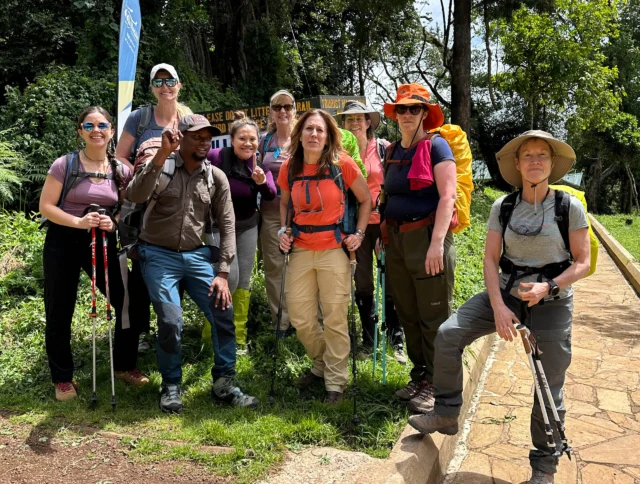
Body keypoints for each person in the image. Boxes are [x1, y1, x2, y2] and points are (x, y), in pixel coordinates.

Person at [408, 131, 590, 484]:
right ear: (517, 164)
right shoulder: (503, 207)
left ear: (552, 165)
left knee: (547, 386)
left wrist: (549, 286)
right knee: (448, 334)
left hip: (551, 302)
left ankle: (544, 468)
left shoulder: (569, 207)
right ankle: (446, 412)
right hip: (505, 294)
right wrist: (499, 307)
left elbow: (582, 262)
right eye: (528, 156)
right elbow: (490, 260)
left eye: (542, 155)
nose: (535, 161)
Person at [126, 114, 258, 413]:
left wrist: (223, 272)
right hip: (158, 256)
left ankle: (224, 382)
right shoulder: (161, 167)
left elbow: (227, 224)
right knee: (171, 321)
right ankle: (171, 384)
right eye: (196, 136)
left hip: (197, 256)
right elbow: (135, 193)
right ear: (181, 138)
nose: (203, 141)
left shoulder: (215, 176)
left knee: (223, 313)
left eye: (207, 137)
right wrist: (161, 155)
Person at [40, 106, 146, 401]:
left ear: (112, 130)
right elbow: (46, 206)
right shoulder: (65, 164)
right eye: (89, 126)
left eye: (102, 125)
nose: (96, 130)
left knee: (127, 301)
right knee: (59, 309)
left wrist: (112, 223)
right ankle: (62, 379)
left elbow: (128, 209)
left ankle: (124, 366)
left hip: (101, 241)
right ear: (80, 132)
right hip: (63, 240)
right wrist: (78, 222)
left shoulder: (120, 170)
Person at [278, 109, 372, 404]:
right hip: (302, 248)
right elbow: (284, 203)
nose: (314, 135)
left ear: (328, 135)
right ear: (300, 134)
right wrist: (283, 229)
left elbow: (366, 199)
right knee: (300, 317)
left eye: (320, 130)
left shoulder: (341, 164)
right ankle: (321, 362)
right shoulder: (290, 167)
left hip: (334, 248)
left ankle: (335, 381)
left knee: (334, 318)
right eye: (309, 130)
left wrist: (359, 233)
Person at [380, 83, 457, 413]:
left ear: (425, 113)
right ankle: (420, 375)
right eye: (402, 109)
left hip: (426, 237)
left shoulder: (437, 147)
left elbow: (447, 197)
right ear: (395, 114)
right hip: (397, 240)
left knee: (433, 316)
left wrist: (437, 244)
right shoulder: (393, 151)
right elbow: (388, 195)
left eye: (415, 109)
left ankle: (439, 385)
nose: (408, 114)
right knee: (408, 314)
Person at [115, 63, 194, 353]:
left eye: (170, 80)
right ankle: (140, 331)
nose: (165, 86)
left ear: (179, 84)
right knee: (140, 268)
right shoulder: (140, 118)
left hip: (179, 204)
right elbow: (120, 157)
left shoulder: (189, 119)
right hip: (142, 205)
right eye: (158, 82)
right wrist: (140, 170)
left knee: (177, 266)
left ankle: (171, 329)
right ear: (151, 88)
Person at [335, 100, 406, 365]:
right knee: (362, 281)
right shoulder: (337, 153)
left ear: (369, 123)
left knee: (391, 279)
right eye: (349, 120)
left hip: (385, 222)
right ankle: (368, 339)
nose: (354, 124)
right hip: (354, 225)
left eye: (359, 119)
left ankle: (395, 339)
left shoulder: (384, 149)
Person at [206, 112, 277, 350]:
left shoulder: (259, 165)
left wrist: (261, 182)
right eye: (242, 139)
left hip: (247, 226)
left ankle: (238, 337)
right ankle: (213, 333)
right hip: (217, 227)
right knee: (229, 278)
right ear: (231, 140)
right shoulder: (216, 157)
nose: (248, 143)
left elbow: (270, 194)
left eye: (252, 139)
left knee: (243, 281)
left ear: (258, 141)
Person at [259, 90, 297, 334]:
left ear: (294, 109)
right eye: (277, 106)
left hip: (303, 214)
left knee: (302, 267)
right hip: (271, 214)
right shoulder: (263, 140)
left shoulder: (305, 138)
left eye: (287, 106)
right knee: (274, 268)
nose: (282, 111)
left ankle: (304, 320)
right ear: (271, 112)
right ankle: (281, 323)